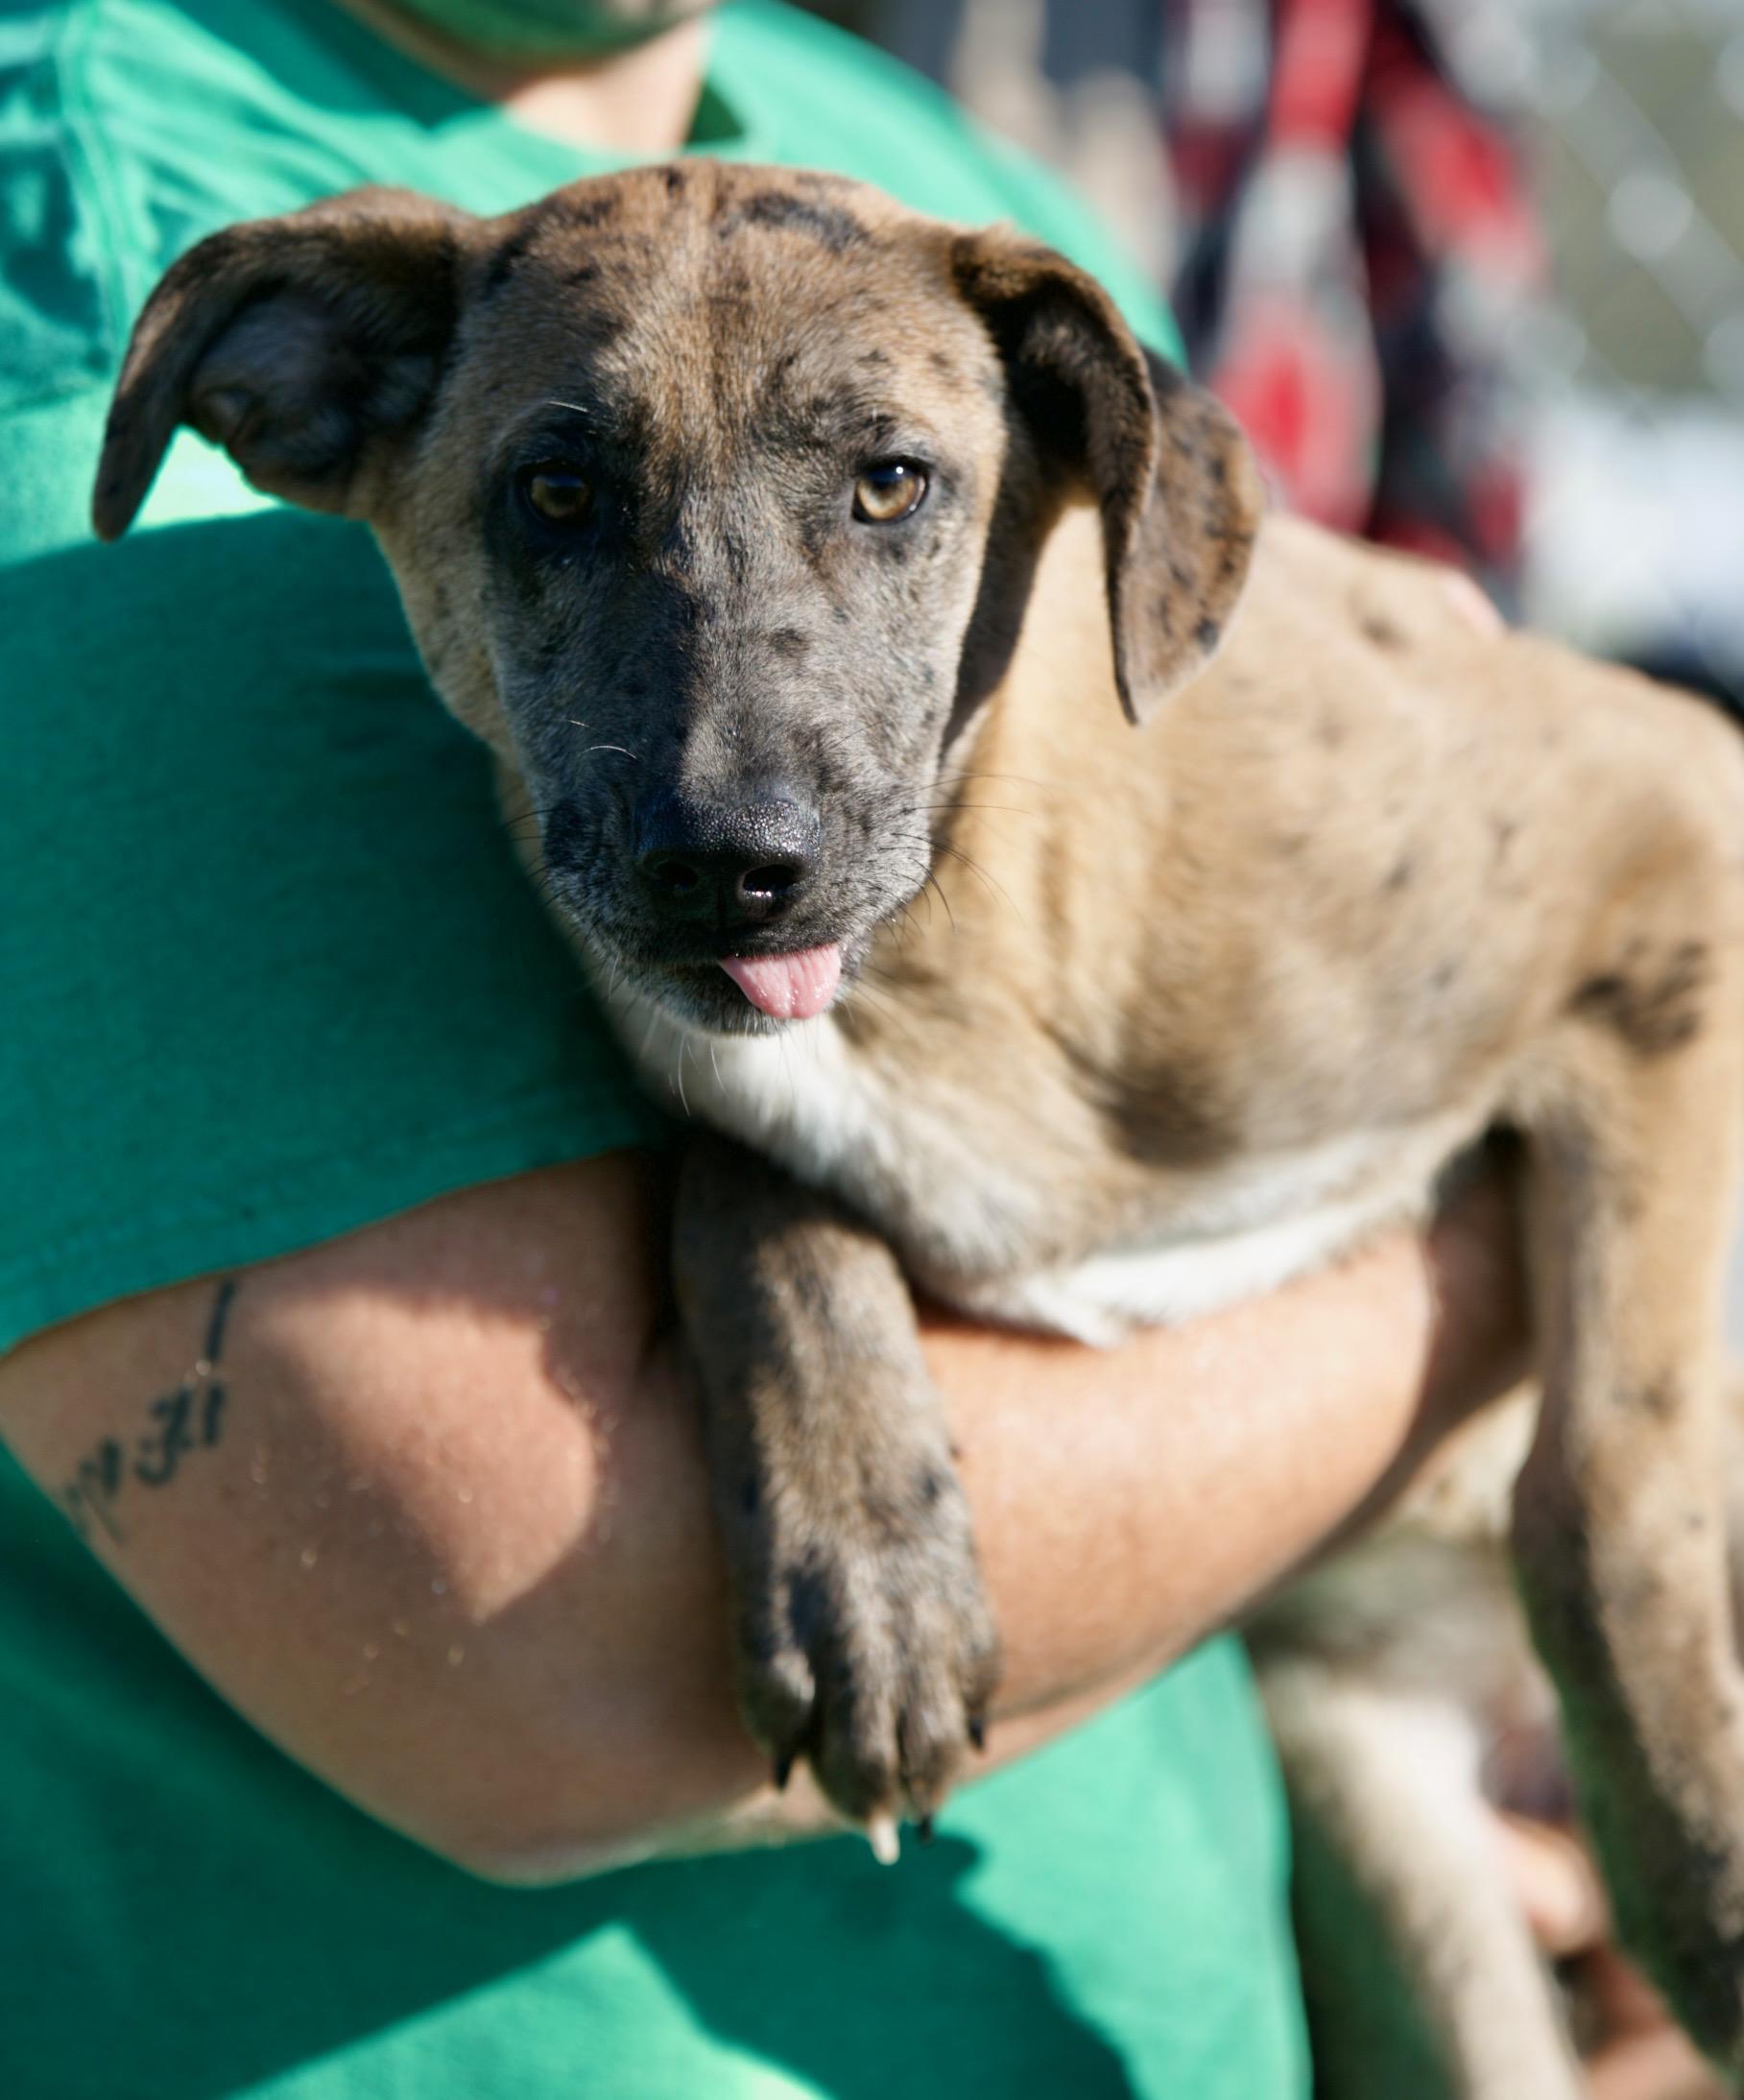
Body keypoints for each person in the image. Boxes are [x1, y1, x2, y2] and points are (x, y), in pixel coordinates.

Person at [0, 3, 1539, 2095]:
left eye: (887, 489)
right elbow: (546, 1672)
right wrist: (1497, 1268)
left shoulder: (894, 175)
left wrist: (1541, 1778)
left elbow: (1016, 1082)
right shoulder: (75, 249)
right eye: (563, 495)